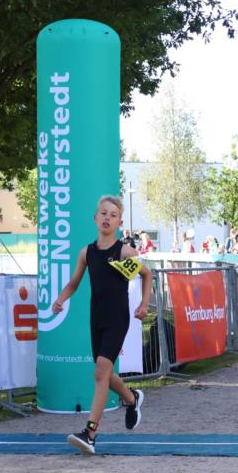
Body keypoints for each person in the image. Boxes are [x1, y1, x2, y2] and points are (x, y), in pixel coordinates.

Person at [51, 195, 152, 455]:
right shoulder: (87, 252)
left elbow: (147, 274)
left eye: (113, 214)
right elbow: (74, 282)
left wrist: (143, 305)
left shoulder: (124, 251)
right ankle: (132, 398)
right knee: (104, 374)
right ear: (95, 218)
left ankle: (90, 433)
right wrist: (61, 299)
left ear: (119, 222)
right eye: (103, 213)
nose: (107, 217)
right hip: (96, 318)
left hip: (118, 318)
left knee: (100, 374)